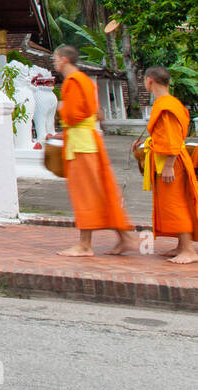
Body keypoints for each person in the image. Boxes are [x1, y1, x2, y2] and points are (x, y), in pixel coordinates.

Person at [54, 45, 134, 256]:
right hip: (88, 140)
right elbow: (98, 113)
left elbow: (74, 115)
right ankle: (124, 237)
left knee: (86, 193)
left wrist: (61, 109)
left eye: (56, 58)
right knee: (102, 190)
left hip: (81, 145)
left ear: (64, 60)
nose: (55, 62)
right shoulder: (86, 81)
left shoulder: (73, 81)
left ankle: (85, 245)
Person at [140, 67, 197, 264]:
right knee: (173, 203)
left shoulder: (166, 105)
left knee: (176, 203)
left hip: (172, 161)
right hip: (169, 159)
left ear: (149, 81)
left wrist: (169, 165)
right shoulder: (170, 102)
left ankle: (189, 250)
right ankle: (182, 246)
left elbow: (172, 137)